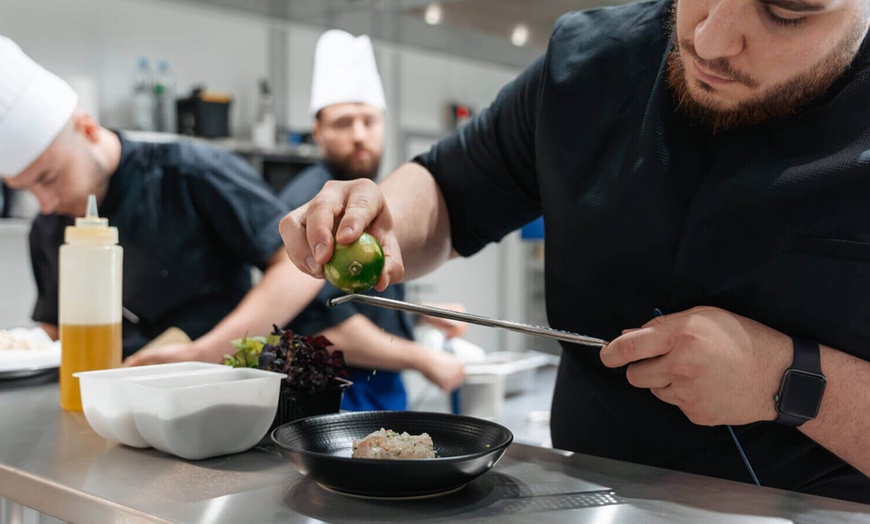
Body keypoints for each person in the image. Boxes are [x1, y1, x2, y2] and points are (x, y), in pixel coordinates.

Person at [278, 0, 870, 503]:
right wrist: (374, 214)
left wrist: (789, 380)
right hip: (582, 497)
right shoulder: (590, 65)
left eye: (786, 10)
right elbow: (446, 191)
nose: (711, 39)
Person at [0, 35, 323, 363]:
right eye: (25, 188)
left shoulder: (192, 172)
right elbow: (56, 333)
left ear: (87, 129)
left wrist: (204, 353)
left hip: (217, 384)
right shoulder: (48, 227)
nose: (45, 203)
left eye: (48, 178)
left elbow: (296, 267)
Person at [278, 29, 465, 411]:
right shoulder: (311, 207)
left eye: (369, 120)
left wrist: (424, 318)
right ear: (318, 131)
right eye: (343, 123)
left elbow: (364, 291)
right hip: (340, 393)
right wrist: (424, 358)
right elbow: (331, 325)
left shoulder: (371, 198)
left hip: (381, 390)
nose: (360, 135)